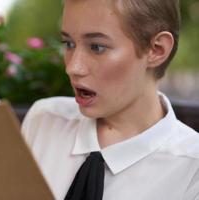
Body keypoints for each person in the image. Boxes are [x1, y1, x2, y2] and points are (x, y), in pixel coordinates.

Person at [21, 0, 199, 199]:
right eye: (69, 44)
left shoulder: (193, 170)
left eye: (97, 47)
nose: (73, 67)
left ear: (157, 50)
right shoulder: (43, 120)